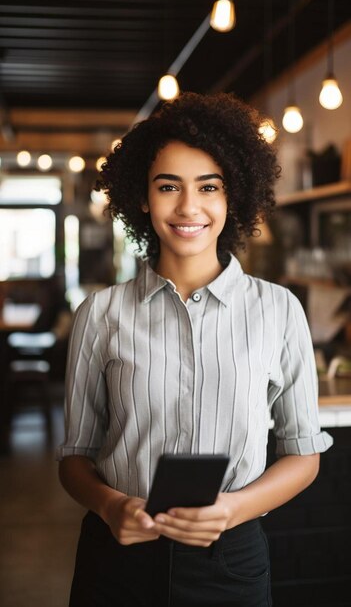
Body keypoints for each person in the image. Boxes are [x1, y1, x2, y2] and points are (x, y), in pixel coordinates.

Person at [57, 92, 333, 607]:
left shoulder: (279, 310)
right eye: (168, 187)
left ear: (234, 198)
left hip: (229, 563)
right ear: (142, 197)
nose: (189, 207)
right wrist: (111, 506)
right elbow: (75, 457)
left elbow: (304, 455)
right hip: (117, 560)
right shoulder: (101, 313)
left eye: (209, 187)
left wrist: (233, 509)